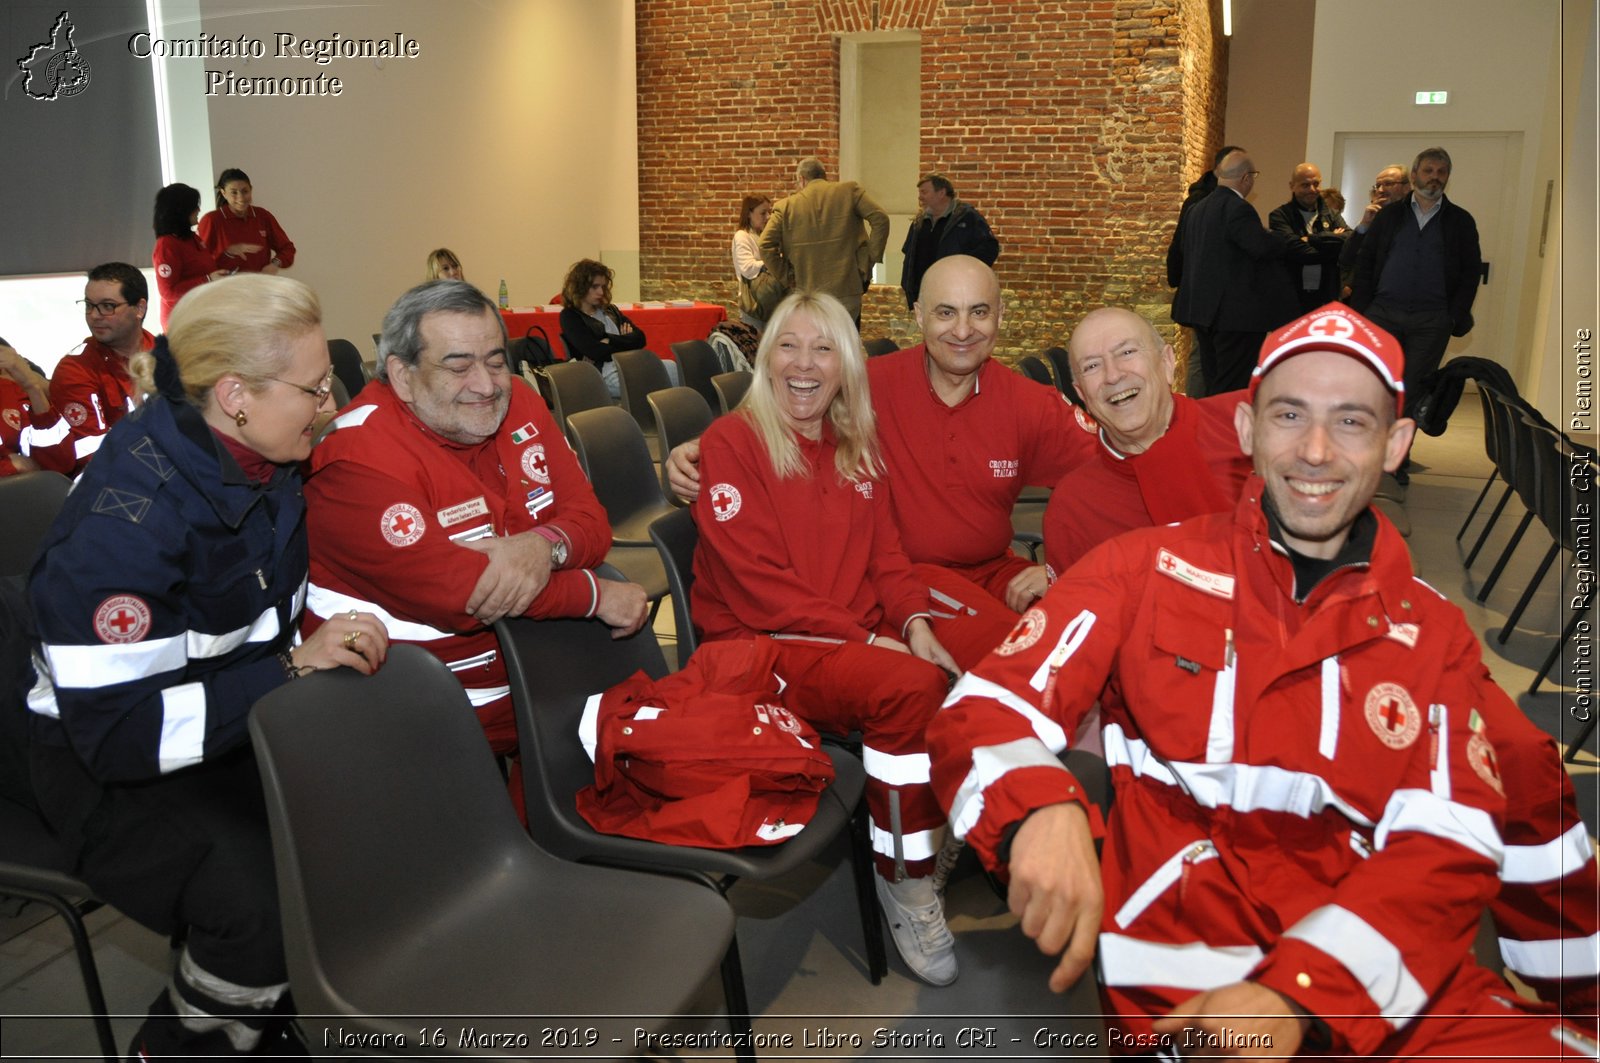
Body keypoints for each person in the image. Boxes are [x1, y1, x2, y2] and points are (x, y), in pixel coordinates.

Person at [928, 305, 1595, 1057]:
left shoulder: (1431, 630)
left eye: (1351, 421)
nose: (1315, 449)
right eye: (1289, 414)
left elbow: (1449, 840)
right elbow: (985, 706)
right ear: (1246, 430)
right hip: (1192, 999)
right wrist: (1039, 806)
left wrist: (1300, 991)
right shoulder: (1137, 567)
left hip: (1379, 983)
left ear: (1395, 444)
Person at [27, 274, 391, 1059]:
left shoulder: (263, 454)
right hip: (109, 755)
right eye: (314, 387)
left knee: (361, 822)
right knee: (258, 900)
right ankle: (183, 1043)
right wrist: (291, 669)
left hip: (220, 716)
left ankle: (282, 1018)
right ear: (234, 395)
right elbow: (123, 733)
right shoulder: (125, 525)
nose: (329, 405)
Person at [691, 289, 961, 985]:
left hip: (841, 638)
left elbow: (889, 559)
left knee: (968, 652)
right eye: (789, 345)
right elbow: (761, 589)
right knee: (910, 686)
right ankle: (904, 876)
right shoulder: (732, 444)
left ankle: (928, 820)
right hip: (763, 645)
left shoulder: (854, 444)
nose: (805, 365)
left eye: (824, 349)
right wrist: (868, 642)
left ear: (846, 366)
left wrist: (914, 623)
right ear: (765, 357)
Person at [304, 279, 649, 798]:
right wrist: (596, 595)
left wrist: (539, 546)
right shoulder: (357, 457)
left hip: (536, 683)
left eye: (495, 360)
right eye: (459, 366)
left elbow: (591, 523)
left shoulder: (520, 404)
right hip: (415, 723)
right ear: (400, 375)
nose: (487, 385)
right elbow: (464, 596)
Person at [669, 256, 1095, 670]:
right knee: (1022, 655)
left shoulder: (1028, 403)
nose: (963, 330)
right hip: (906, 579)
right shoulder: (869, 386)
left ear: (1000, 316)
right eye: (946, 312)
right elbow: (779, 411)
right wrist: (699, 446)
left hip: (997, 568)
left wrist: (1062, 569)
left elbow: (1115, 475)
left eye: (978, 312)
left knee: (1081, 631)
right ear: (919, 316)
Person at [1042, 307, 1250, 577]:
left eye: (1127, 353)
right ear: (1081, 393)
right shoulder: (1074, 506)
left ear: (1166, 362)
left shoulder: (1246, 423)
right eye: (1092, 366)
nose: (1113, 375)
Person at [1350, 147, 1483, 480]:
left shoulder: (1460, 221)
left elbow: (1470, 273)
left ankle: (1396, 457)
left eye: (1441, 172)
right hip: (1383, 314)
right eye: (1428, 171)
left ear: (1447, 178)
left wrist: (1452, 316)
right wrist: (1364, 311)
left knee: (1410, 389)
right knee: (1376, 385)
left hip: (1431, 320)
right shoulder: (1390, 216)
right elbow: (1364, 263)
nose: (1434, 177)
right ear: (1414, 176)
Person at [1170, 149, 1298, 395]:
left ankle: (1210, 429)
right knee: (1233, 387)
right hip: (1236, 316)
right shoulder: (1237, 208)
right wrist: (1283, 239)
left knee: (1213, 380)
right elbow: (1259, 246)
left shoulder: (1196, 209)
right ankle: (1227, 432)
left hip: (1203, 312)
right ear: (1246, 178)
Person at [51, 262, 157, 473]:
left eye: (107, 306)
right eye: (89, 305)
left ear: (140, 308)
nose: (94, 315)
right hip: (114, 483)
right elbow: (93, 455)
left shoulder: (171, 354)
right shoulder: (75, 369)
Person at [760, 157, 889, 323]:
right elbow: (881, 219)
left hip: (807, 291)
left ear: (802, 179)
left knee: (815, 342)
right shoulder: (850, 192)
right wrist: (870, 259)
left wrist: (786, 276)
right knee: (845, 344)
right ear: (824, 175)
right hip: (847, 287)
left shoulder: (786, 207)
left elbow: (765, 245)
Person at [1166, 145, 1243, 396]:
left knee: (1204, 355)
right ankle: (1200, 410)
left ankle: (1202, 409)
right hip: (1205, 292)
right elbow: (1183, 245)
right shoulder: (1204, 201)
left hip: (1200, 290)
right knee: (1202, 356)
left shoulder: (1202, 198)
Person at [899, 173, 999, 309]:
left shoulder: (967, 218)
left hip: (955, 294)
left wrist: (963, 273)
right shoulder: (919, 222)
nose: (920, 197)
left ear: (941, 193)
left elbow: (989, 249)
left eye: (924, 192)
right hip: (923, 295)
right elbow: (909, 256)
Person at [558, 258, 649, 399]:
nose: (601, 292)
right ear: (580, 287)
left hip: (627, 365)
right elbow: (596, 351)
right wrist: (626, 341)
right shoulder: (570, 316)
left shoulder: (610, 310)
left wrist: (610, 339)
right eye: (595, 287)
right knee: (651, 380)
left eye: (603, 287)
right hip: (602, 374)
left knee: (671, 367)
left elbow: (641, 338)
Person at [1267, 163, 1349, 315]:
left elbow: (1348, 241)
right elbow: (1297, 251)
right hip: (1292, 299)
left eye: (1316, 184)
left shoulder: (1332, 215)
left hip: (1326, 298)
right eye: (1305, 185)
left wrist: (1311, 239)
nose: (1312, 189)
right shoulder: (1280, 216)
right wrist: (1332, 247)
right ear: (1292, 186)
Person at [152, 183, 228, 328]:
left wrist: (229, 255)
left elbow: (206, 268)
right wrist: (208, 279)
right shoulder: (167, 245)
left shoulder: (193, 238)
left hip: (200, 314)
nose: (199, 209)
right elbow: (168, 292)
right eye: (194, 206)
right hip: (182, 322)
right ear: (181, 211)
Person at [197, 168, 296, 276]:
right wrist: (227, 253)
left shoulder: (262, 216)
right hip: (226, 287)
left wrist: (274, 264)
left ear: (251, 190)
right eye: (234, 192)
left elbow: (287, 248)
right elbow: (200, 261)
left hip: (260, 284)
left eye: (245, 191)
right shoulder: (212, 220)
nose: (241, 197)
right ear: (223, 193)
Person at [0, 344, 72, 476]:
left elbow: (57, 464)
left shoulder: (13, 392)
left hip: (30, 489)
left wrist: (32, 388)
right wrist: (10, 466)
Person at [732, 194, 784, 329]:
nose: (768, 217)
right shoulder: (742, 236)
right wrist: (772, 261)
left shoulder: (763, 236)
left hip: (769, 302)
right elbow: (747, 268)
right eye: (763, 213)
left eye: (769, 212)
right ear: (749, 213)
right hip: (754, 303)